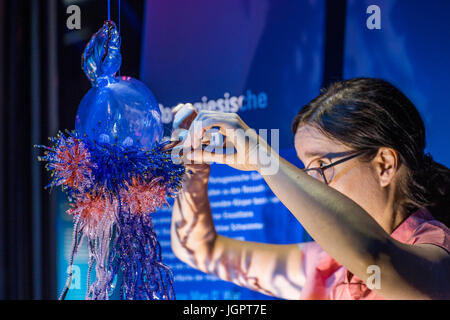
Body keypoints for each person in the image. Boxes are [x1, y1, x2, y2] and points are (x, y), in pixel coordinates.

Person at [169, 78, 450, 300]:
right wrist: (193, 168)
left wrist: (263, 159)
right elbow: (199, 249)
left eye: (322, 165)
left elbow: (376, 257)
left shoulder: (436, 250)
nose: (311, 183)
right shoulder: (326, 264)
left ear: (384, 165)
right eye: (306, 169)